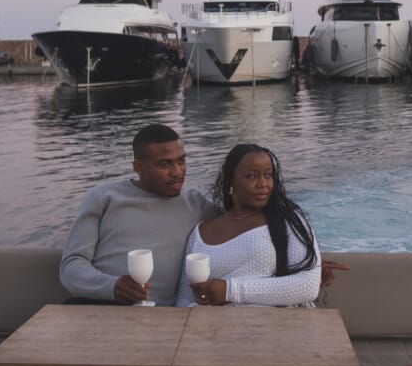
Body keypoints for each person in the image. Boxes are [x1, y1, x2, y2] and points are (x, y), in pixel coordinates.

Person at [59, 122, 218, 307]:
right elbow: (71, 266)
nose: (177, 172)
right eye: (164, 164)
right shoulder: (104, 197)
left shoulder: (196, 204)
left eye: (181, 161)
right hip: (97, 305)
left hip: (159, 319)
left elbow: (241, 224)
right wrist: (113, 287)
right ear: (139, 167)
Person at [176, 143, 321, 309]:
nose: (263, 184)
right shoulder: (200, 234)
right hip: (216, 330)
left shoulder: (289, 220)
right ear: (231, 180)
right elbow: (184, 298)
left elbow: (308, 286)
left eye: (268, 175)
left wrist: (230, 291)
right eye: (252, 176)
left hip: (281, 327)